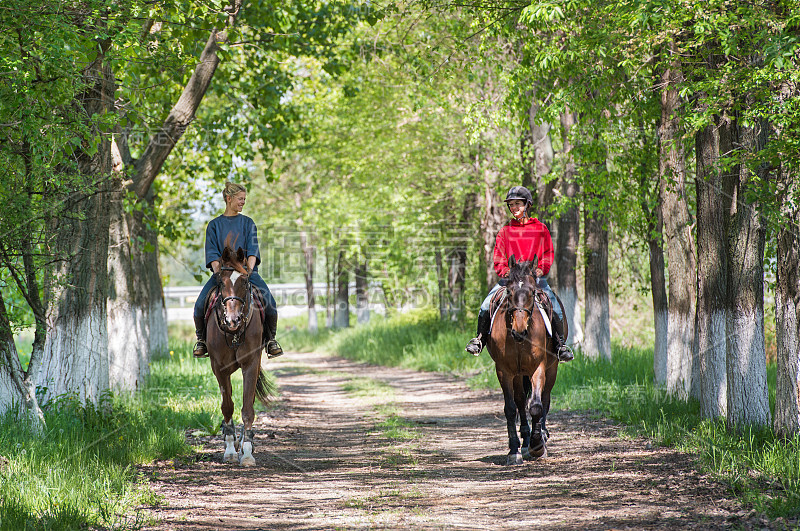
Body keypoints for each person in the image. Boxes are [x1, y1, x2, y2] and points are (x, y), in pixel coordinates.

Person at [465, 185, 574, 362]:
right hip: (510, 280)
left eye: (518, 204)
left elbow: (547, 253)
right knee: (486, 305)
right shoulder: (504, 232)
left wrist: (541, 269)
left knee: (554, 305)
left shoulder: (540, 229)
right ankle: (479, 340)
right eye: (511, 205)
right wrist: (506, 271)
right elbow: (499, 258)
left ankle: (560, 345)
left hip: (534, 280)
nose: (514, 208)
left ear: (527, 205)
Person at [192, 181, 283, 359]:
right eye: (240, 199)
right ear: (228, 198)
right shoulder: (214, 225)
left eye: (244, 199)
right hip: (223, 275)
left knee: (270, 304)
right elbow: (212, 254)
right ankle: (202, 341)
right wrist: (219, 273)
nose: (243, 202)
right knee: (198, 306)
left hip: (246, 274)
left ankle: (271, 341)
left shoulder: (248, 223)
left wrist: (248, 270)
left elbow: (253, 250)